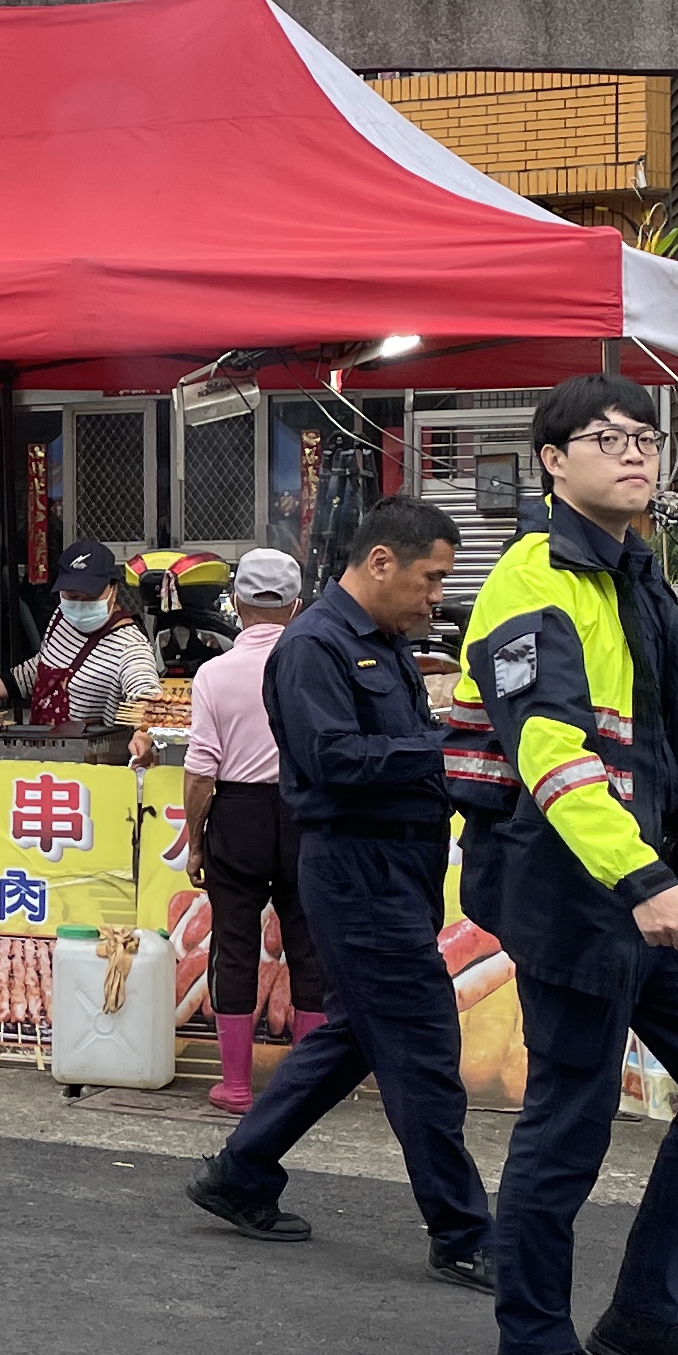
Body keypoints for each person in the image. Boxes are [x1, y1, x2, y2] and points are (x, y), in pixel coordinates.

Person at [462, 374, 678, 1355]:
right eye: (608, 439)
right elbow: (549, 750)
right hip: (575, 891)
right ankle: (532, 1346)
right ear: (553, 460)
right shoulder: (535, 581)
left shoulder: (635, 571)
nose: (636, 454)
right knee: (571, 1119)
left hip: (659, 889)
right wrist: (639, 879)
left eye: (647, 438)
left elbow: (655, 750)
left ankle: (647, 1319)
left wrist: (671, 874)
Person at [182, 495, 497, 1273]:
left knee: (355, 1035)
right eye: (431, 579)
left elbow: (400, 743)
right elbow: (334, 761)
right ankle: (464, 1234)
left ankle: (240, 1172)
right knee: (423, 1046)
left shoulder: (384, 641)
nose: (436, 598)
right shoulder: (314, 647)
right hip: (356, 868)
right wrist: (445, 753)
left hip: (400, 867)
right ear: (381, 561)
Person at [179, 547, 332, 1112]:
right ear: (297, 606)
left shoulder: (214, 674)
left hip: (237, 815)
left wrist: (196, 843)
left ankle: (237, 1085)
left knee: (234, 945)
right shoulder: (318, 667)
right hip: (305, 812)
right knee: (309, 946)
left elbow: (201, 770)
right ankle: (308, 1089)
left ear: (236, 603)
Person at [0, 539, 163, 738]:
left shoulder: (129, 644)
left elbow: (146, 696)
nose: (79, 604)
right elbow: (41, 667)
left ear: (113, 590)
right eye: (71, 596)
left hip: (92, 764)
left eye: (90, 597)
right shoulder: (63, 617)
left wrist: (143, 734)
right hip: (44, 748)